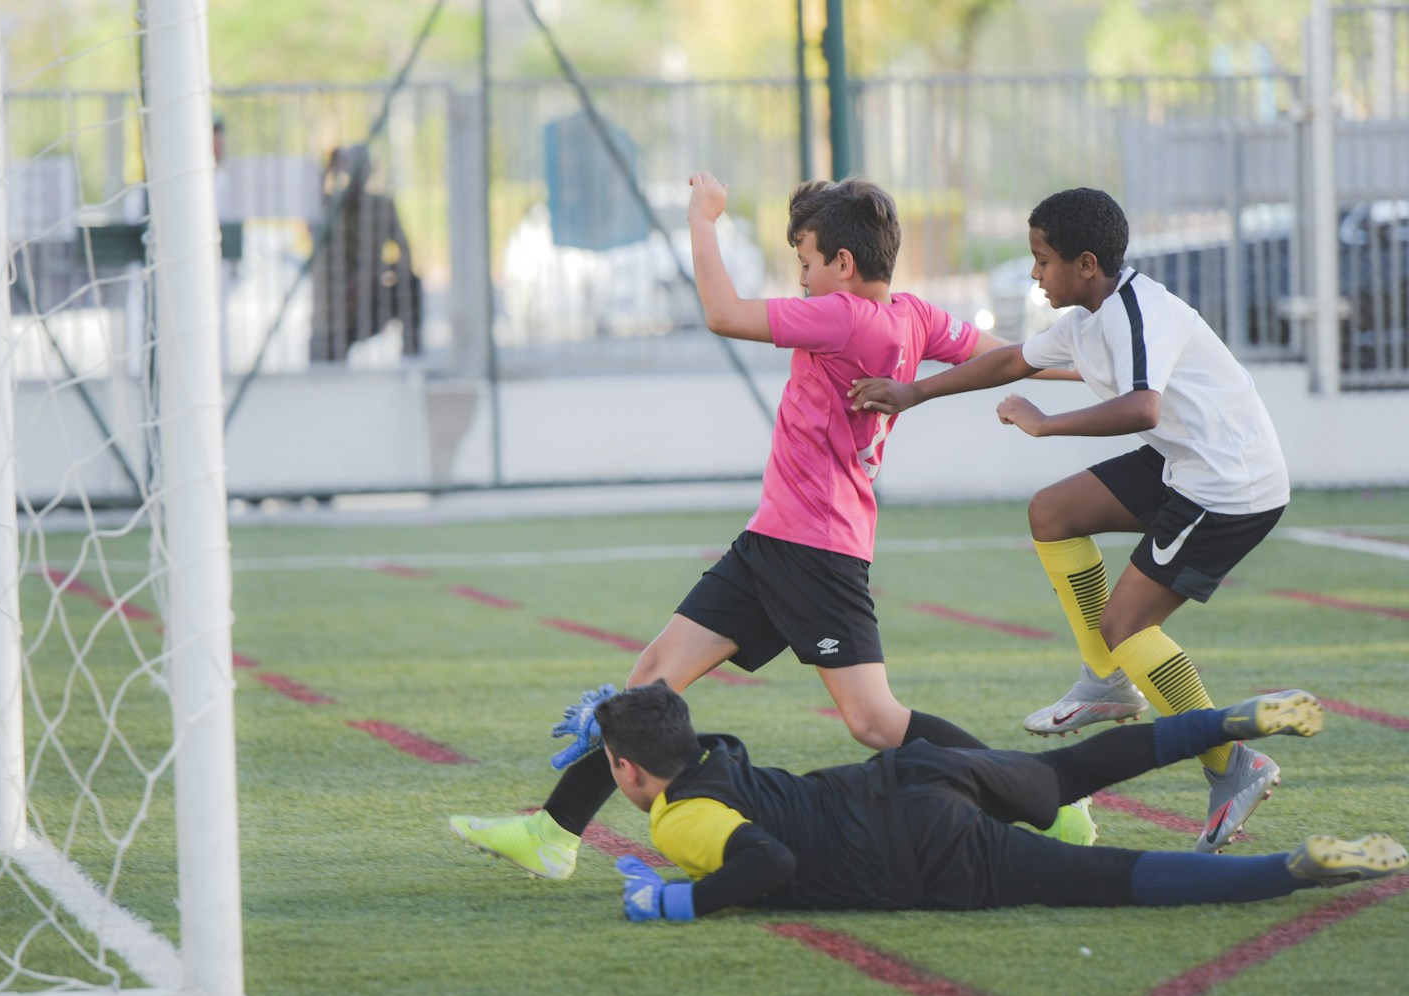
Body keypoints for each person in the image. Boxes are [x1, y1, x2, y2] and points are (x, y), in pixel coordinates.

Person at [450, 172, 1090, 880]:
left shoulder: (844, 316)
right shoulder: (911, 315)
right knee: (652, 679)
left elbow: (724, 313)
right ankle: (554, 833)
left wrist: (703, 219)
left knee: (876, 723)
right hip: (773, 543)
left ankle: (1046, 800)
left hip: (815, 552)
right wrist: (1089, 364)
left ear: (844, 266)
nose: (804, 281)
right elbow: (1001, 355)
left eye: (807, 264)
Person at [847, 188, 1291, 854]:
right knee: (1052, 512)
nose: (1034, 272)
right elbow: (1010, 360)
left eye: (1042, 258)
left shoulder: (1139, 313)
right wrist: (914, 393)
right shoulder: (1087, 317)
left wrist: (1048, 425)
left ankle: (1232, 764)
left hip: (1230, 483)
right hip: (1184, 460)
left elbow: (1144, 408)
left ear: (1086, 264)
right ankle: (1106, 681)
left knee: (1127, 625)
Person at [590, 682, 1404, 921]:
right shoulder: (715, 751)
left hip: (916, 846)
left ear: (630, 774)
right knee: (1071, 772)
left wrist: (677, 901)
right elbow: (683, 738)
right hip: (916, 772)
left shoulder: (681, 817)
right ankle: (1223, 722)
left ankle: (1293, 870)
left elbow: (768, 860)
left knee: (1106, 878)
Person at [310, 144, 421, 362]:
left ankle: (411, 354)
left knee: (412, 284)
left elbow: (405, 253)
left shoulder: (381, 206)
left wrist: (374, 272)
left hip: (371, 299)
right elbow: (308, 204)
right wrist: (329, 168)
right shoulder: (330, 206)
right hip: (337, 308)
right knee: (325, 363)